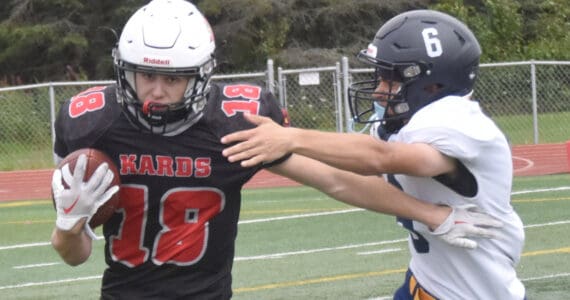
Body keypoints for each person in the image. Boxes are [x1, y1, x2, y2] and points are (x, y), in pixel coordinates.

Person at [50, 2, 502, 299]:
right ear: (122, 69)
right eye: (144, 75)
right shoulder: (91, 124)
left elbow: (335, 179)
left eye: (174, 78)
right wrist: (69, 226)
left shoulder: (233, 123)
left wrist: (429, 214)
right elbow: (74, 253)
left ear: (203, 75)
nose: (157, 91)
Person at [221, 9, 525, 300]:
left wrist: (292, 137)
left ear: (432, 85)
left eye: (390, 80)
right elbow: (341, 181)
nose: (379, 91)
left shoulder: (456, 118)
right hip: (422, 284)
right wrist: (271, 153)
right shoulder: (407, 124)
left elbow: (383, 158)